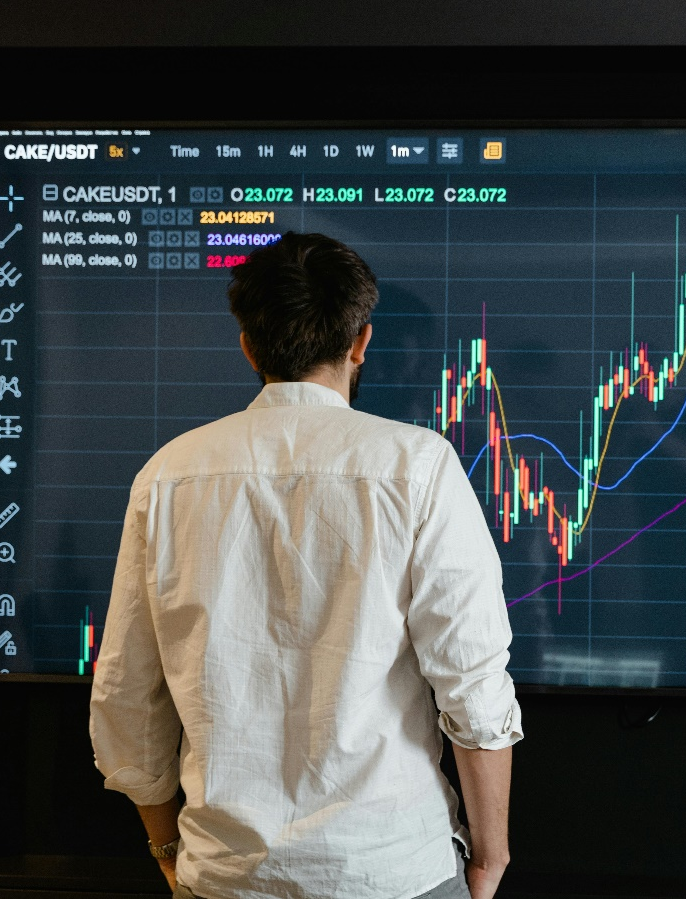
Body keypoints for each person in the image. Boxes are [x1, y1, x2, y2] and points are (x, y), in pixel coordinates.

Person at [90, 232, 523, 899]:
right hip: (393, 869)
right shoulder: (417, 465)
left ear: (248, 345)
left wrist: (166, 844)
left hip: (226, 873)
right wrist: (490, 857)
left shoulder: (168, 474)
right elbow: (472, 686)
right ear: (360, 343)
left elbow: (125, 692)